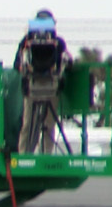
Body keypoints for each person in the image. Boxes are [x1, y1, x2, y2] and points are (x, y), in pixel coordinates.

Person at [13, 9, 72, 154]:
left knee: (38, 125)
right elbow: (18, 64)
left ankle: (32, 155)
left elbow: (17, 65)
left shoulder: (55, 43)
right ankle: (35, 155)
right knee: (37, 125)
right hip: (40, 87)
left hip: (42, 87)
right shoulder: (29, 43)